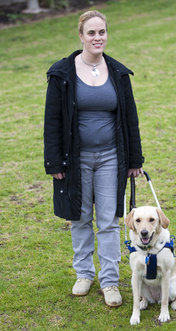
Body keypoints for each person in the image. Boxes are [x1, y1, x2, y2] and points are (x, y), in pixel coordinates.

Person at [44, 10, 144, 307]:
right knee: (81, 218)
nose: (97, 37)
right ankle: (84, 274)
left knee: (110, 221)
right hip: (76, 160)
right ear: (81, 36)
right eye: (91, 33)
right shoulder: (62, 74)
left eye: (102, 32)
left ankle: (110, 281)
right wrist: (54, 163)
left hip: (112, 157)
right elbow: (52, 121)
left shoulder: (118, 73)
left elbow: (130, 118)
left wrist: (134, 159)